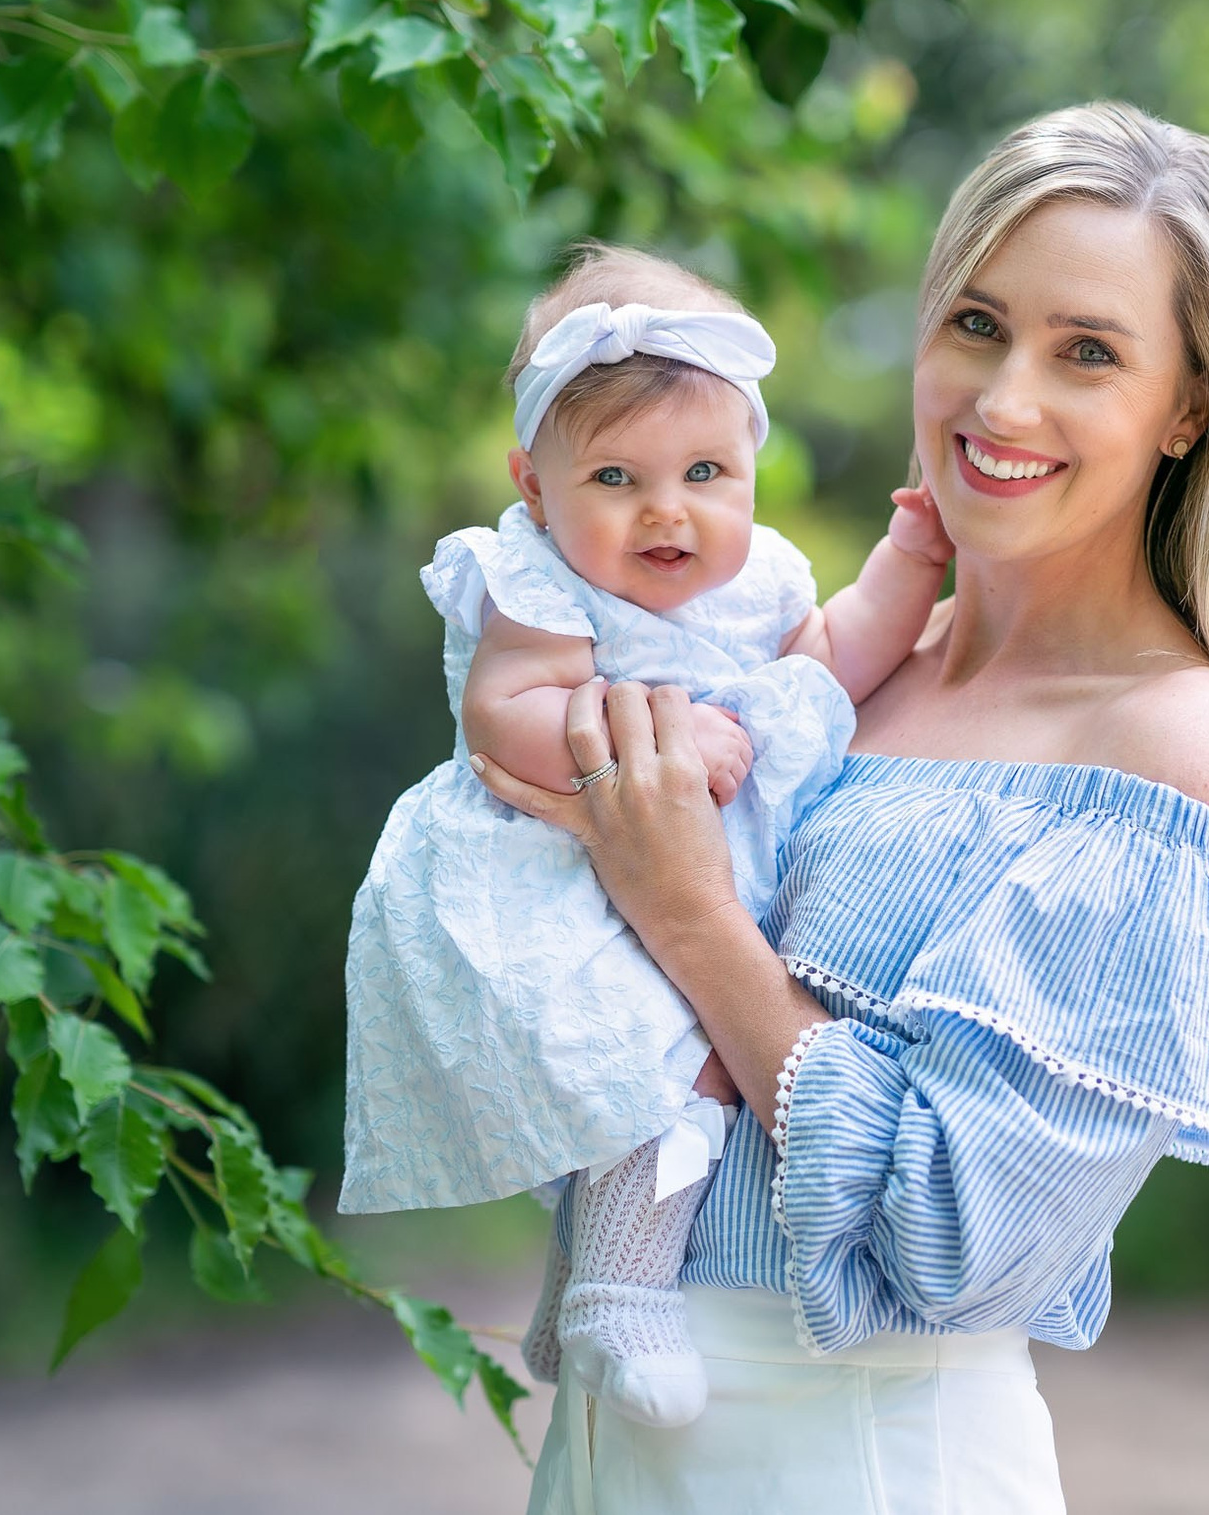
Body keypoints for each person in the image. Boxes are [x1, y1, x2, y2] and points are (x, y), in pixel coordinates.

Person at [473, 102, 1209, 1514]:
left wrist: (688, 909)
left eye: (1089, 353)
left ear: (1189, 406)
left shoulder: (1171, 743)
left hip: (852, 1462)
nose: (1002, 402)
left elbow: (956, 1239)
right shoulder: (827, 676)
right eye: (979, 325)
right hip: (606, 1456)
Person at [339, 244, 955, 1429]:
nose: (666, 508)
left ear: (752, 467)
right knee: (669, 1040)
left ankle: (583, 1279)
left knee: (703, 1025)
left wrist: (912, 560)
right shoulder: (533, 581)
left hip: (680, 868)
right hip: (565, 867)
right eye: (616, 474)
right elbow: (502, 716)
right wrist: (652, 737)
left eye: (707, 470)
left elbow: (831, 662)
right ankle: (620, 1285)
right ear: (532, 483)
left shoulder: (762, 578)